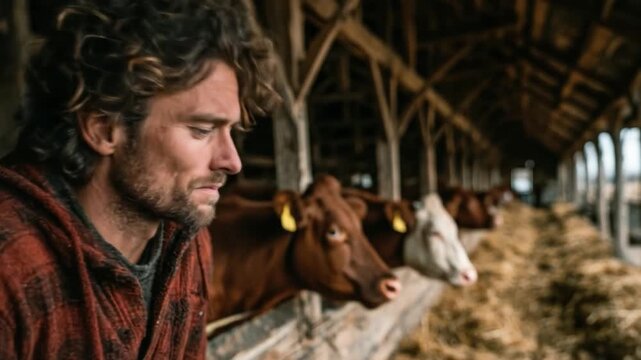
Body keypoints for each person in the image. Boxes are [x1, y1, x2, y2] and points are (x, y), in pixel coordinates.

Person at [0, 0, 278, 358]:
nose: (232, 161)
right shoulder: (10, 266)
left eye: (230, 131)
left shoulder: (187, 240)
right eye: (202, 129)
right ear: (104, 128)